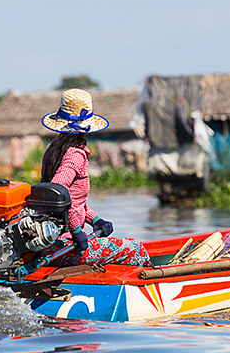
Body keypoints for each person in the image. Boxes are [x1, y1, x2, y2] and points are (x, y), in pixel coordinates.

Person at [40, 89, 151, 267]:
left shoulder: (53, 149)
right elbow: (56, 191)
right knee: (135, 249)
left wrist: (95, 219)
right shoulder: (75, 154)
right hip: (65, 247)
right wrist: (76, 230)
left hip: (48, 244)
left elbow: (74, 201)